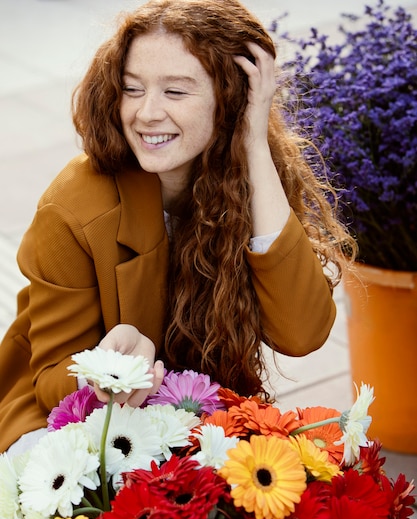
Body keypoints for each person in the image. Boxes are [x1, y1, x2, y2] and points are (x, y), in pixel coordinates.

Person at [0, 0, 355, 459]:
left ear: (231, 101)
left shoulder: (247, 178)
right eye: (132, 88)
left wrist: (253, 146)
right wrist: (111, 366)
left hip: (196, 414)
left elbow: (302, 332)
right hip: (69, 429)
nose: (146, 113)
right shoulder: (74, 206)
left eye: (176, 92)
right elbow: (50, 383)